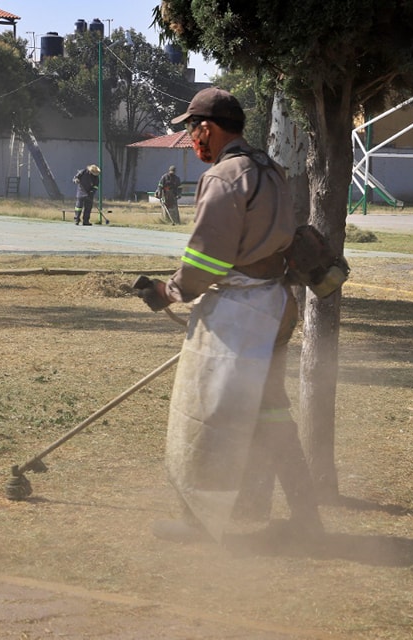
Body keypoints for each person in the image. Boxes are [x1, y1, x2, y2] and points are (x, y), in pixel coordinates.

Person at [136, 87, 323, 545]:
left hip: (240, 317)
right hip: (276, 306)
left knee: (209, 413)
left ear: (209, 128)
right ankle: (306, 519)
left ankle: (200, 521)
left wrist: (168, 292)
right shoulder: (270, 168)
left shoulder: (223, 177)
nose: (191, 141)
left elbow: (207, 260)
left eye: (192, 131)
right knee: (272, 411)